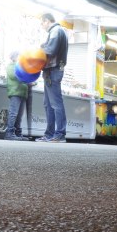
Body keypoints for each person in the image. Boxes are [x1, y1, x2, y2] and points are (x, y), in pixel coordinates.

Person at [35, 13, 69, 143]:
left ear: (47, 21)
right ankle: (50, 134)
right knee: (49, 104)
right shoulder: (59, 31)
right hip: (51, 71)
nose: (42, 26)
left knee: (55, 104)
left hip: (53, 70)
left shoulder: (56, 30)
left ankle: (59, 134)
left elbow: (51, 49)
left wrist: (40, 49)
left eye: (42, 23)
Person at [5, 51, 28, 141]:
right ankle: (9, 133)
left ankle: (18, 133)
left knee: (19, 115)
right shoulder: (11, 66)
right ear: (14, 57)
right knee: (13, 113)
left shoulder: (22, 67)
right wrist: (26, 77)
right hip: (15, 92)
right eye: (19, 56)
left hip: (22, 93)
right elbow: (14, 76)